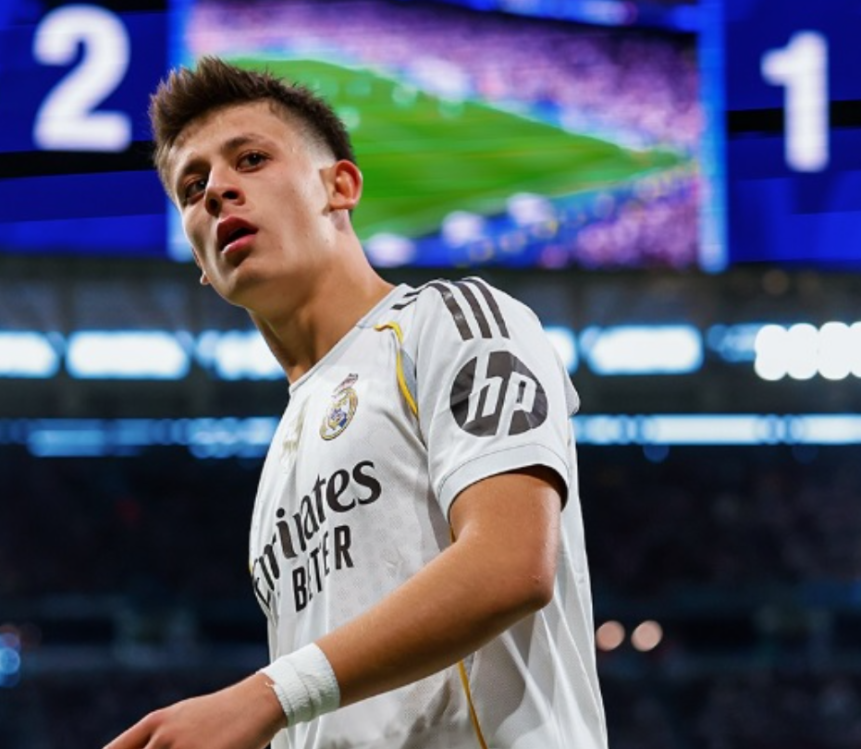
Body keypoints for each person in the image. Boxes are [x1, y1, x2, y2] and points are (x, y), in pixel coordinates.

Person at [105, 57, 608, 749]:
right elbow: (327, 711)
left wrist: (265, 694)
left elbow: (511, 562)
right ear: (199, 262)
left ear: (339, 186)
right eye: (193, 188)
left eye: (250, 159)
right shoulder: (277, 473)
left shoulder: (450, 320)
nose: (217, 190)